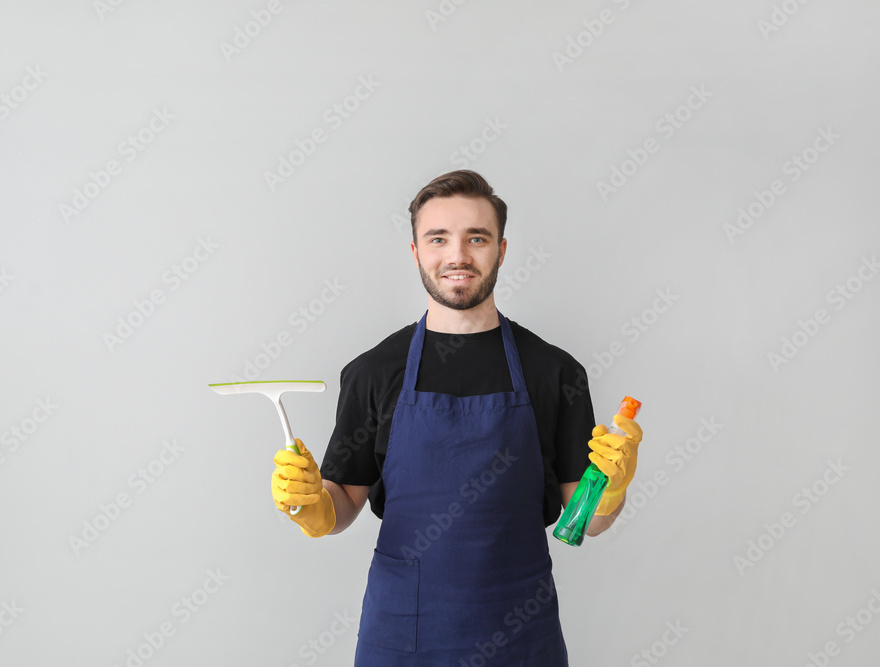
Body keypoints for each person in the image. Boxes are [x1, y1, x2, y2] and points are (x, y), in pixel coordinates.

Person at [270, 169, 643, 665]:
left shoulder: (555, 371)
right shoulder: (374, 371)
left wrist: (611, 492)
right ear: (416, 252)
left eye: (477, 238)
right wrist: (311, 506)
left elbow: (587, 522)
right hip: (405, 632)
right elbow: (342, 502)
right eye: (438, 238)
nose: (458, 256)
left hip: (520, 633)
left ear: (502, 250)